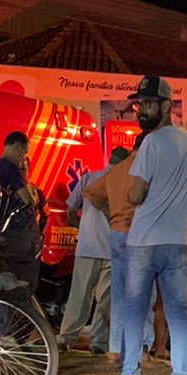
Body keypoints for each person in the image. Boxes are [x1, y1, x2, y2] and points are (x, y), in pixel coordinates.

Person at [123, 75, 187, 375]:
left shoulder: (152, 143)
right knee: (177, 314)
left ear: (167, 106)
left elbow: (136, 194)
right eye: (140, 104)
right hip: (178, 243)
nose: (141, 110)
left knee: (135, 312)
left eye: (149, 104)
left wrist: (133, 191)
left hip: (144, 241)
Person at [85, 138, 156, 366]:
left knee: (119, 293)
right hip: (140, 235)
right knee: (143, 293)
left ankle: (115, 348)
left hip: (116, 234)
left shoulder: (118, 170)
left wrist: (110, 212)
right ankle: (142, 347)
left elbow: (90, 192)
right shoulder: (145, 169)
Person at [58, 148, 127, 353]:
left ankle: (65, 339)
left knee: (79, 296)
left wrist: (81, 227)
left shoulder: (88, 178)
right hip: (113, 250)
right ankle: (99, 342)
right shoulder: (124, 183)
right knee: (106, 300)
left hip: (87, 247)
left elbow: (70, 209)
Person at [0, 132, 42, 295]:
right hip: (17, 234)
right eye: (24, 152)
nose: (23, 158)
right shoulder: (10, 168)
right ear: (17, 146)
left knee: (3, 282)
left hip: (4, 231)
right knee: (18, 283)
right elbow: (28, 200)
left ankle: (2, 317)